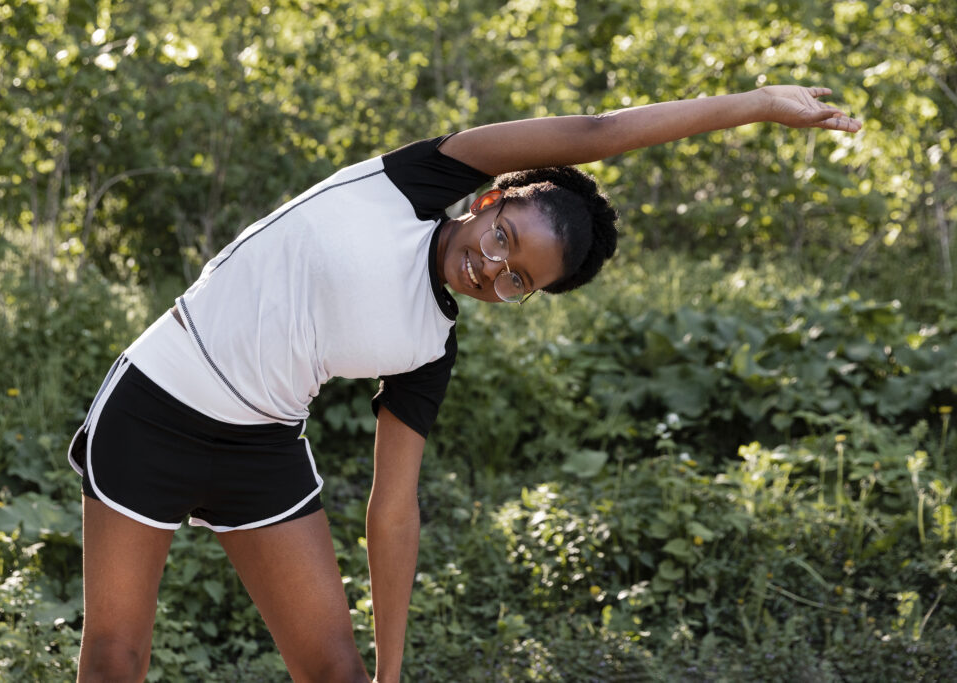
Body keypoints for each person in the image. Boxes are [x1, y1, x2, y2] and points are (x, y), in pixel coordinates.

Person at [68, 85, 861, 682]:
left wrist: (392, 669)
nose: (492, 267)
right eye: (502, 238)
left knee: (338, 675)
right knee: (114, 661)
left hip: (260, 448)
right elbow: (597, 132)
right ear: (488, 199)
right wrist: (754, 106)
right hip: (158, 403)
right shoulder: (413, 180)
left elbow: (394, 507)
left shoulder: (428, 344)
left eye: (518, 280)